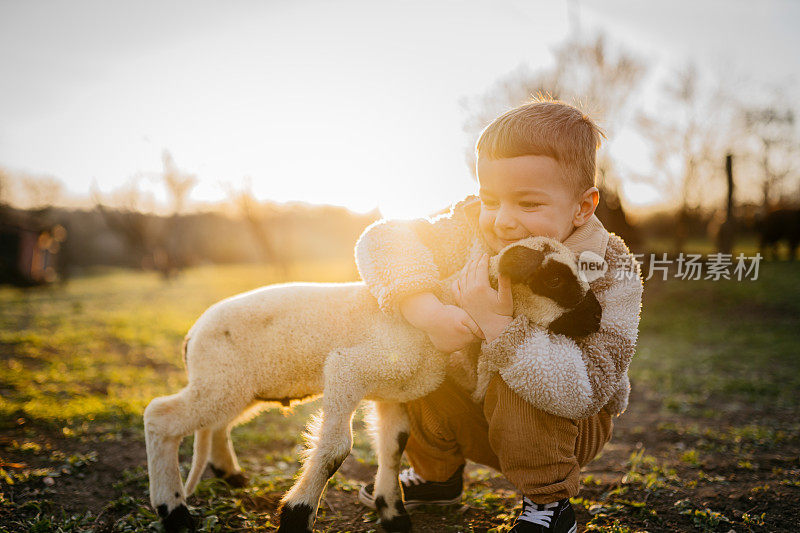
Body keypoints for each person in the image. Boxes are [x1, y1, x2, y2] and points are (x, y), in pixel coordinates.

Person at [354, 98, 643, 533]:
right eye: (492, 199)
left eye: (528, 204)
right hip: (476, 411)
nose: (503, 221)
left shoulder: (609, 270)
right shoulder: (470, 227)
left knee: (516, 380)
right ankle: (437, 476)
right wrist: (425, 309)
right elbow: (383, 239)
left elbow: (583, 390)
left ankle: (549, 504)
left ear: (583, 207)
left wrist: (499, 329)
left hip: (564, 427)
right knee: (414, 358)